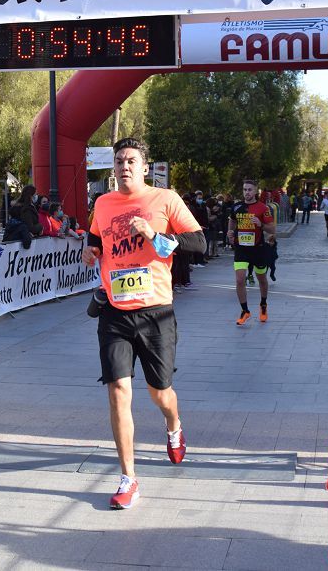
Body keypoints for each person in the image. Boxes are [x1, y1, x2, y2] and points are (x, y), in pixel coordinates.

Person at [84, 137, 205, 509]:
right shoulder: (102, 204)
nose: (124, 167)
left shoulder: (166, 199)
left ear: (145, 167)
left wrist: (153, 234)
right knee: (119, 390)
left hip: (155, 312)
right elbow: (95, 241)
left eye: (131, 160)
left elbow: (199, 243)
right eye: (119, 161)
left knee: (159, 392)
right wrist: (92, 250)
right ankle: (128, 478)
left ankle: (174, 426)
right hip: (114, 313)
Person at [227, 180, 276, 325]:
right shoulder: (237, 207)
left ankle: (263, 304)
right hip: (241, 248)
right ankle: (245, 310)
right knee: (240, 280)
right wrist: (230, 232)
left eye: (249, 190)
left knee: (261, 278)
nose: (246, 192)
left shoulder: (263, 208)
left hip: (258, 248)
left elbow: (272, 229)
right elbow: (232, 221)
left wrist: (261, 224)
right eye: (244, 190)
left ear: (255, 192)